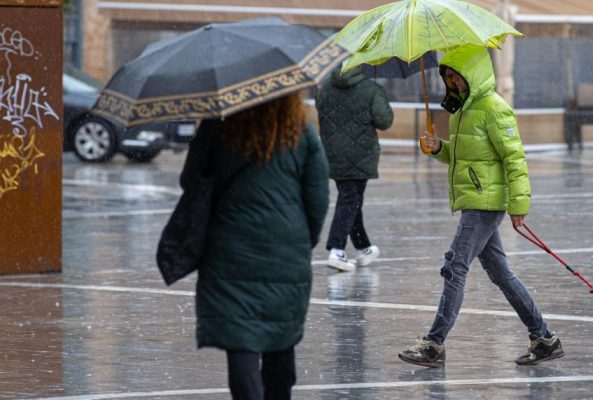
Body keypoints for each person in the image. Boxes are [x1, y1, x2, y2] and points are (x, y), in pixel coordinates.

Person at [398, 45, 564, 368]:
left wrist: (519, 203)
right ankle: (543, 338)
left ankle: (434, 344)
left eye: (456, 77)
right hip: (475, 199)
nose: (451, 83)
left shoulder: (493, 108)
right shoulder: (462, 111)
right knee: (501, 274)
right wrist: (438, 148)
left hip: (484, 203)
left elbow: (514, 157)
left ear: (472, 75)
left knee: (455, 266)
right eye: (447, 77)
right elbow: (466, 157)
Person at [183, 92, 329, 399]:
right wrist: (301, 242)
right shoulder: (301, 133)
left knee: (241, 340)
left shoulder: (219, 128)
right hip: (286, 253)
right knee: (280, 337)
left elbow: (192, 181)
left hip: (228, 251)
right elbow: (317, 201)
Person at [316, 66, 394, 272]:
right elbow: (384, 121)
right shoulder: (372, 89)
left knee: (351, 199)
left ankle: (363, 248)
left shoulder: (324, 88)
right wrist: (380, 96)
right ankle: (336, 249)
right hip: (361, 154)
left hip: (332, 153)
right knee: (350, 200)